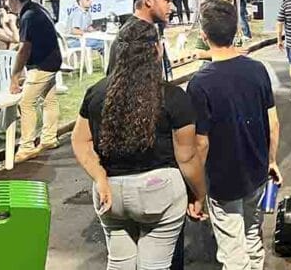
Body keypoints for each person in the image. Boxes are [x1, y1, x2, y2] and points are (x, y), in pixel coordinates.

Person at [71, 18, 207, 269]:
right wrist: (199, 194)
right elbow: (187, 157)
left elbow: (80, 141)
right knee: (154, 265)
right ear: (156, 49)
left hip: (110, 192)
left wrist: (99, 177)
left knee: (119, 263)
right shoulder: (173, 97)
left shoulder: (97, 93)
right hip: (159, 191)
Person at [188, 0, 281, 269]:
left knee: (232, 249)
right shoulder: (257, 69)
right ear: (236, 31)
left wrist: (197, 190)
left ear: (204, 36)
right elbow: (273, 123)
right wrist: (272, 161)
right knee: (252, 236)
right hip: (257, 171)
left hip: (223, 180)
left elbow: (201, 144)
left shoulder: (200, 83)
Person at [6, 0, 63, 163]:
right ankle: (49, 138)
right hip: (52, 60)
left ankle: (27, 147)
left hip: (42, 65)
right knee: (49, 100)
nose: (7, 5)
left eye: (7, 1)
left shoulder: (28, 16)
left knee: (26, 103)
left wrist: (15, 77)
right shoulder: (38, 9)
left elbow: (24, 49)